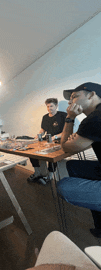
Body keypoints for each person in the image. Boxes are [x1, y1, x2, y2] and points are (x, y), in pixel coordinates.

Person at [57, 82, 101, 238]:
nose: (70, 103)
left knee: (63, 186)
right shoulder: (95, 117)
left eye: (74, 97)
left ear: (91, 95)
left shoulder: (95, 118)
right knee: (74, 166)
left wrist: (69, 118)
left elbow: (66, 147)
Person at [28, 98, 66, 184]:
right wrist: (39, 134)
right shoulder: (45, 117)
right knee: (31, 151)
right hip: (47, 140)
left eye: (51, 106)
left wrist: (55, 137)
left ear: (56, 106)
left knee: (52, 155)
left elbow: (66, 131)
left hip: (59, 141)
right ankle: (37, 173)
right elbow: (43, 130)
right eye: (48, 106)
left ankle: (49, 176)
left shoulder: (63, 115)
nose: (49, 108)